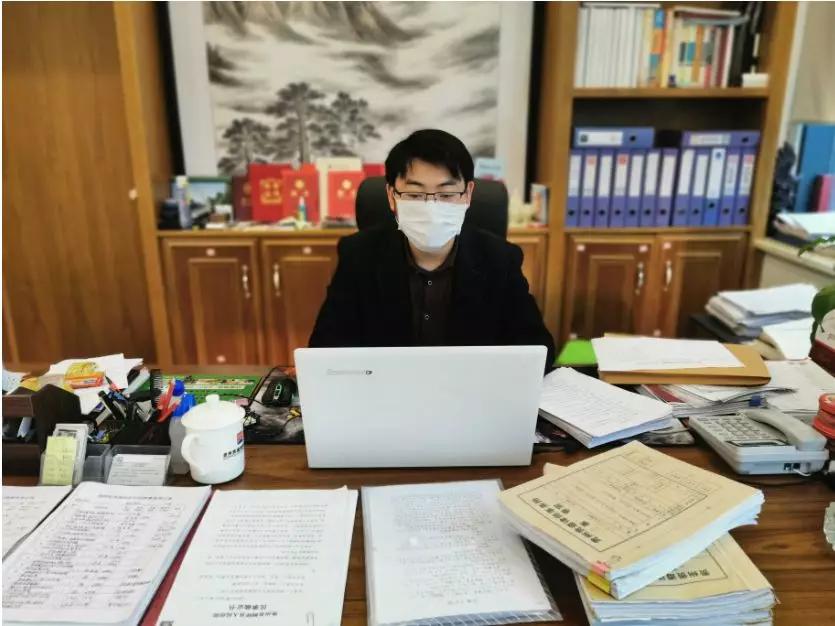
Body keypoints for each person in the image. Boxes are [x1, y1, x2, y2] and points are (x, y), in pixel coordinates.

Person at [309, 129, 554, 366]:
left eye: (446, 195)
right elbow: (325, 350)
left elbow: (538, 351)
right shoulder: (358, 255)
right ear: (391, 196)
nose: (431, 207)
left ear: (468, 194)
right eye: (415, 195)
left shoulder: (500, 259)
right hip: (389, 390)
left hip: (469, 390)